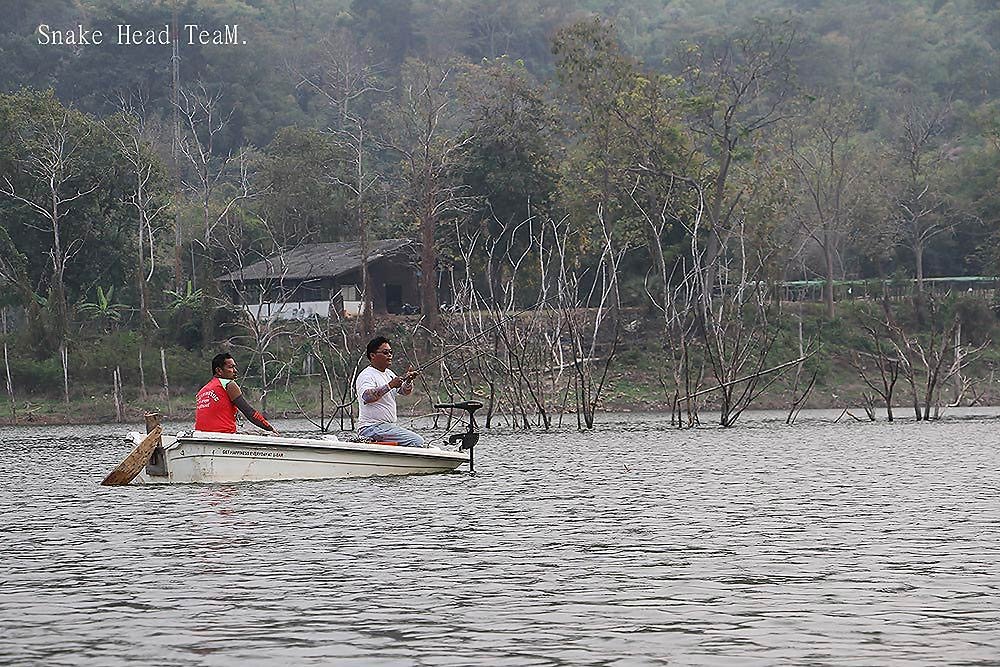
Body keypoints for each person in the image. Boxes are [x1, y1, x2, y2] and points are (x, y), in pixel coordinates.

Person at [356, 336, 425, 447]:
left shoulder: (389, 373)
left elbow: (404, 391)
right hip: (371, 428)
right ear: (373, 355)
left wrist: (408, 381)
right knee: (416, 441)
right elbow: (367, 397)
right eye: (385, 352)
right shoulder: (367, 375)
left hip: (386, 427)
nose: (389, 355)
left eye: (390, 352)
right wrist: (390, 385)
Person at [195, 353, 280, 435]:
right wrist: (270, 428)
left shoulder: (202, 391)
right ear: (219, 371)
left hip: (200, 436)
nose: (235, 371)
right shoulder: (229, 384)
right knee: (268, 434)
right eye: (231, 367)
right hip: (224, 436)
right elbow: (249, 412)